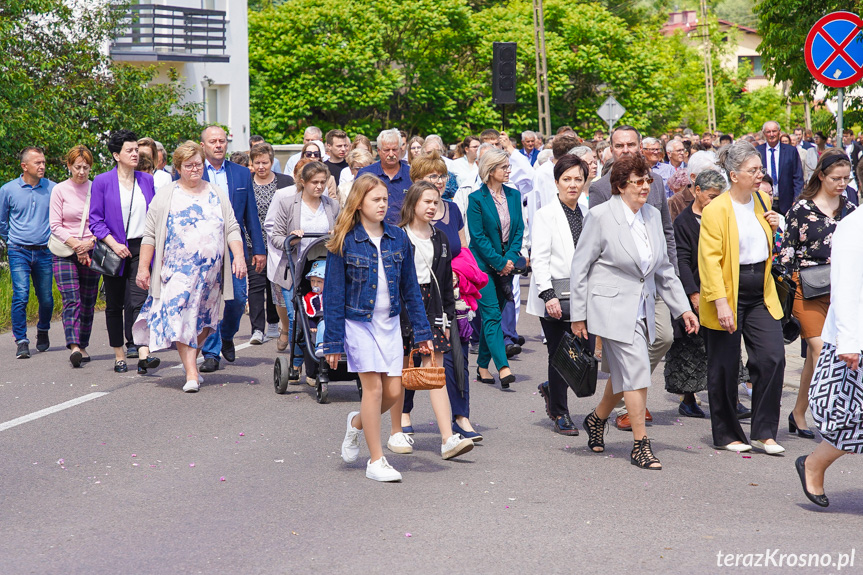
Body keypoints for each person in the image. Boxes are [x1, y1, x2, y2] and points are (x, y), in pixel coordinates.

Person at [571, 154, 698, 469]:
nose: (645, 187)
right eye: (638, 182)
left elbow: (664, 269)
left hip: (645, 304)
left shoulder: (653, 216)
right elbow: (580, 267)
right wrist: (578, 315)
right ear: (620, 186)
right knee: (637, 368)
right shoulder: (600, 216)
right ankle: (640, 444)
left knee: (626, 371)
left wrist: (683, 309)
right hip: (610, 306)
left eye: (648, 181)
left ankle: (597, 418)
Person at [325, 174, 433, 482]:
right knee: (372, 390)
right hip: (358, 323)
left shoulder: (398, 238)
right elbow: (332, 294)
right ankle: (376, 460)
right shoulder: (344, 239)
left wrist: (423, 334)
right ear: (359, 203)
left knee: (394, 391)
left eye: (386, 199)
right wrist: (332, 342)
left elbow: (410, 289)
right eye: (376, 199)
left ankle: (357, 423)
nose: (383, 204)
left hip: (390, 323)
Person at [132, 141, 246, 392]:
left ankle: (191, 361)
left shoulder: (216, 192)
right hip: (177, 272)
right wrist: (143, 268)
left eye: (199, 165)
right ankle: (192, 373)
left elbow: (232, 227)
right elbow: (150, 234)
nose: (195, 169)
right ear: (178, 167)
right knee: (180, 317)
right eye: (189, 165)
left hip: (211, 275)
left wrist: (238, 256)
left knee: (206, 322)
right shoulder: (166, 194)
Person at [699, 140, 786, 454]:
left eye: (760, 169)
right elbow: (709, 260)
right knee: (724, 366)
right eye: (753, 170)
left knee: (772, 358)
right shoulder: (716, 209)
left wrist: (778, 226)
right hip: (728, 293)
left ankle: (764, 432)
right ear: (734, 175)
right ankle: (726, 434)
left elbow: (767, 243)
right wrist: (721, 302)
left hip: (760, 290)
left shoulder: (762, 199)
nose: (760, 175)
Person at [590, 125, 678, 431]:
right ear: (611, 150)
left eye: (631, 144)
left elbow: (666, 231)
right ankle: (636, 424)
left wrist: (673, 280)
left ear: (640, 146)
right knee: (632, 358)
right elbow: (594, 248)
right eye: (619, 145)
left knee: (662, 337)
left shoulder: (654, 185)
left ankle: (601, 413)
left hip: (652, 282)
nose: (625, 149)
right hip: (619, 292)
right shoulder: (600, 189)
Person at [391, 181, 473, 460]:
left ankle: (448, 438)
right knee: (404, 369)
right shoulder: (398, 236)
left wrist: (447, 320)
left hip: (433, 305)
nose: (432, 207)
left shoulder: (440, 238)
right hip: (405, 305)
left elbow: (446, 283)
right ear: (413, 203)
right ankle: (398, 426)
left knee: (435, 371)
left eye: (436, 202)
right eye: (427, 202)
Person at [780, 150, 855, 439]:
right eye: (836, 178)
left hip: (842, 289)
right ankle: (829, 413)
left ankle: (798, 412)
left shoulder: (851, 207)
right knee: (822, 350)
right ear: (821, 176)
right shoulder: (800, 209)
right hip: (806, 289)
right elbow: (786, 251)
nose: (841, 183)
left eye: (846, 178)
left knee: (815, 357)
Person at [796, 199, 863, 508]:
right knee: (849, 418)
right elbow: (846, 287)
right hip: (854, 339)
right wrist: (850, 341)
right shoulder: (854, 226)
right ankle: (814, 463)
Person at [527, 155, 590, 435]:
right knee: (559, 354)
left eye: (578, 179)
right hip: (554, 295)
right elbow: (538, 258)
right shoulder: (546, 214)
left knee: (582, 352)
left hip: (583, 295)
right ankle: (560, 413)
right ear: (556, 182)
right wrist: (548, 294)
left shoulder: (588, 211)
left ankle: (550, 388)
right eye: (567, 179)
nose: (573, 185)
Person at [89, 130, 159, 373]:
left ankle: (143, 352)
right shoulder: (102, 181)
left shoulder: (147, 180)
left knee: (140, 300)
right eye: (129, 150)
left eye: (136, 150)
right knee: (115, 304)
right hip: (114, 249)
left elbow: (155, 215)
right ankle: (119, 354)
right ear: (116, 155)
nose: (135, 154)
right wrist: (113, 244)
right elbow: (95, 220)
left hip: (142, 247)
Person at [197, 126, 266, 374]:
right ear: (203, 145)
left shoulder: (240, 173)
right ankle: (211, 353)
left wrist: (258, 249)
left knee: (238, 298)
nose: (218, 145)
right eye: (213, 141)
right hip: (203, 246)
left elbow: (251, 215)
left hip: (233, 245)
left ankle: (227, 333)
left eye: (222, 141)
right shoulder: (194, 172)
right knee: (210, 300)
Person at [270, 161, 340, 381]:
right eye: (314, 182)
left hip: (324, 268)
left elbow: (345, 232)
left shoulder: (332, 206)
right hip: (294, 268)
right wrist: (291, 238)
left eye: (323, 182)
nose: (319, 187)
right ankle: (297, 362)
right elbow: (275, 236)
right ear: (303, 182)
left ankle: (310, 364)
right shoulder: (287, 202)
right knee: (296, 317)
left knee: (319, 315)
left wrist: (336, 233)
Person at [664, 169, 725, 417]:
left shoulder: (722, 218)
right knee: (690, 348)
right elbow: (682, 260)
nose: (714, 201)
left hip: (719, 289)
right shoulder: (684, 222)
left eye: (719, 197)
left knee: (722, 347)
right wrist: (692, 294)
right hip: (695, 290)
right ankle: (688, 398)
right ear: (697, 191)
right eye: (711, 196)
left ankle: (728, 397)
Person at [468, 147, 522, 390]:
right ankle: (503, 367)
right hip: (483, 266)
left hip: (506, 265)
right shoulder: (476, 199)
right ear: (490, 171)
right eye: (504, 167)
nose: (508, 171)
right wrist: (498, 263)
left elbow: (519, 231)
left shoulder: (513, 195)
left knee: (496, 313)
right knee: (492, 316)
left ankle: (481, 366)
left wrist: (509, 260)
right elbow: (478, 238)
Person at [1, 147, 56, 359]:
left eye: (43, 162)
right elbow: (1, 221)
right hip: (18, 251)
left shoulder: (53, 188)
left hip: (44, 250)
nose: (42, 166)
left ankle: (43, 330)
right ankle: (21, 341)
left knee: (46, 299)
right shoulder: (8, 190)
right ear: (24, 166)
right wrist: (11, 239)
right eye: (37, 163)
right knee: (21, 296)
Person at [49, 146, 100, 367]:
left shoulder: (97, 188)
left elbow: (103, 222)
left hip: (92, 248)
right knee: (72, 298)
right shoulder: (59, 190)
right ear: (69, 166)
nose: (81, 172)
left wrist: (89, 244)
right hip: (64, 251)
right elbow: (55, 225)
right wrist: (77, 245)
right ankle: (74, 346)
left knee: (88, 300)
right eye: (77, 167)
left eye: (85, 168)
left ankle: (84, 343)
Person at [247, 142, 294, 345]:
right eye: (257, 162)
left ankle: (274, 324)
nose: (261, 167)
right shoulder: (247, 182)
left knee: (274, 284)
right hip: (252, 241)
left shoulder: (285, 182)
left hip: (279, 242)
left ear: (272, 162)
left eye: (265, 162)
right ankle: (257, 329)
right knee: (256, 284)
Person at [357, 129, 412, 225]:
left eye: (394, 150)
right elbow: (354, 205)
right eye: (386, 150)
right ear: (378, 150)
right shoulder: (365, 174)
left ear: (400, 149)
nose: (391, 154)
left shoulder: (411, 175)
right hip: (371, 231)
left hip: (404, 232)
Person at [757, 121, 804, 215]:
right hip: (763, 201)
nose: (771, 134)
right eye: (768, 132)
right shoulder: (757, 151)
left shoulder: (791, 151)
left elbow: (798, 178)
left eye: (774, 131)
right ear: (764, 133)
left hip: (787, 202)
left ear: (779, 132)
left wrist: (796, 200)